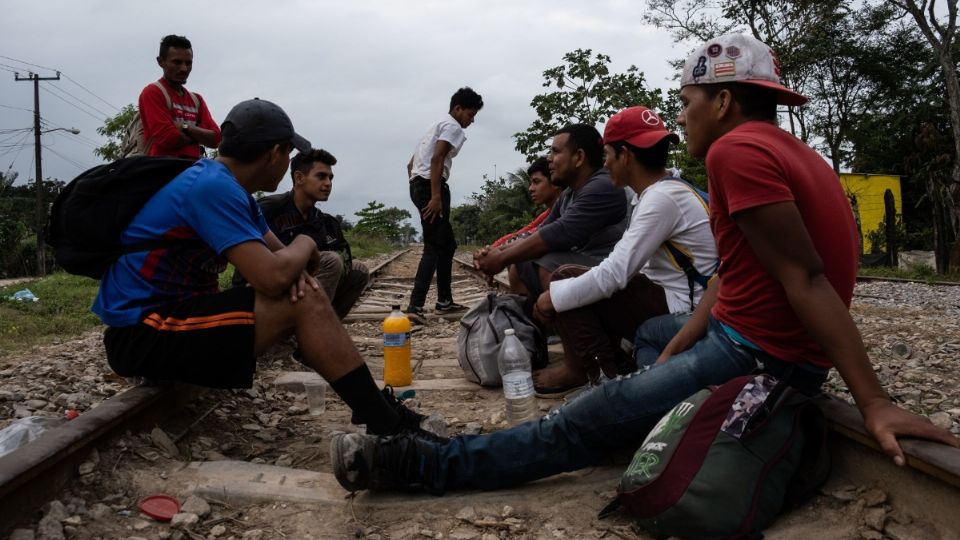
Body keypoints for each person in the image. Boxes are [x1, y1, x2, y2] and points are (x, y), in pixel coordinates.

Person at [330, 34, 959, 496]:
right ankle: (473, 443)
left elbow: (807, 279)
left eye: (687, 100)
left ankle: (421, 465)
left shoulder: (734, 153)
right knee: (636, 372)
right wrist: (682, 346)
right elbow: (733, 277)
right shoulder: (793, 151)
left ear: (721, 101)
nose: (681, 115)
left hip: (758, 355)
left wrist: (871, 400)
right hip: (741, 339)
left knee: (580, 424)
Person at [93, 98, 430, 439]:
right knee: (304, 299)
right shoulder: (211, 187)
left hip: (172, 320)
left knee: (304, 292)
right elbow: (274, 275)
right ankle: (388, 426)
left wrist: (293, 262)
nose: (286, 162)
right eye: (287, 154)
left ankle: (381, 414)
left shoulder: (235, 192)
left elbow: (284, 262)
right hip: (142, 332)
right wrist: (307, 243)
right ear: (274, 153)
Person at [531, 106, 717, 396]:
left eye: (606, 156)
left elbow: (614, 274)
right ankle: (614, 367)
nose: (605, 165)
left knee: (563, 280)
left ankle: (603, 384)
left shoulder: (661, 199)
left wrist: (552, 297)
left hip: (687, 308)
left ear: (625, 156)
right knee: (575, 281)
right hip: (680, 298)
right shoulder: (664, 191)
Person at [473, 124, 628, 300]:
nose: (549, 158)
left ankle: (574, 326)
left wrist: (500, 259)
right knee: (521, 262)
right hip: (589, 264)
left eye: (555, 152)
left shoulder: (602, 186)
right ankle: (530, 322)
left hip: (615, 270)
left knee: (550, 267)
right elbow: (541, 231)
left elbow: (559, 232)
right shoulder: (569, 193)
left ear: (579, 157)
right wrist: (496, 253)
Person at [233, 148, 369, 320]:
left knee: (359, 271)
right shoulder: (270, 208)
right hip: (262, 286)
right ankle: (300, 331)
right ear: (299, 178)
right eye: (321, 176)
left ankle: (319, 327)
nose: (328, 183)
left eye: (330, 177)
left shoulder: (325, 222)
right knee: (331, 261)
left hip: (299, 285)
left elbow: (339, 261)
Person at [406, 87, 484, 317]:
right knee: (433, 246)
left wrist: (418, 190)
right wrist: (436, 196)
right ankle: (415, 306)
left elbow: (410, 165)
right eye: (470, 114)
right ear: (457, 109)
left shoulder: (435, 125)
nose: (471, 120)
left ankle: (444, 300)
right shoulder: (452, 126)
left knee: (447, 244)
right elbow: (437, 158)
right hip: (433, 186)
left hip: (420, 184)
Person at [138, 34, 221, 159]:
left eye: (188, 63)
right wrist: (199, 134)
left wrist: (183, 126)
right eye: (177, 62)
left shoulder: (196, 99)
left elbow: (217, 139)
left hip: (193, 171)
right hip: (162, 173)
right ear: (161, 62)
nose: (184, 68)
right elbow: (168, 138)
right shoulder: (152, 92)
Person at [489, 157, 562, 249]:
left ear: (554, 181)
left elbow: (531, 236)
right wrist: (492, 248)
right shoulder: (549, 213)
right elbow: (522, 233)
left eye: (536, 182)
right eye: (531, 183)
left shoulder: (568, 210)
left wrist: (497, 250)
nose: (530, 188)